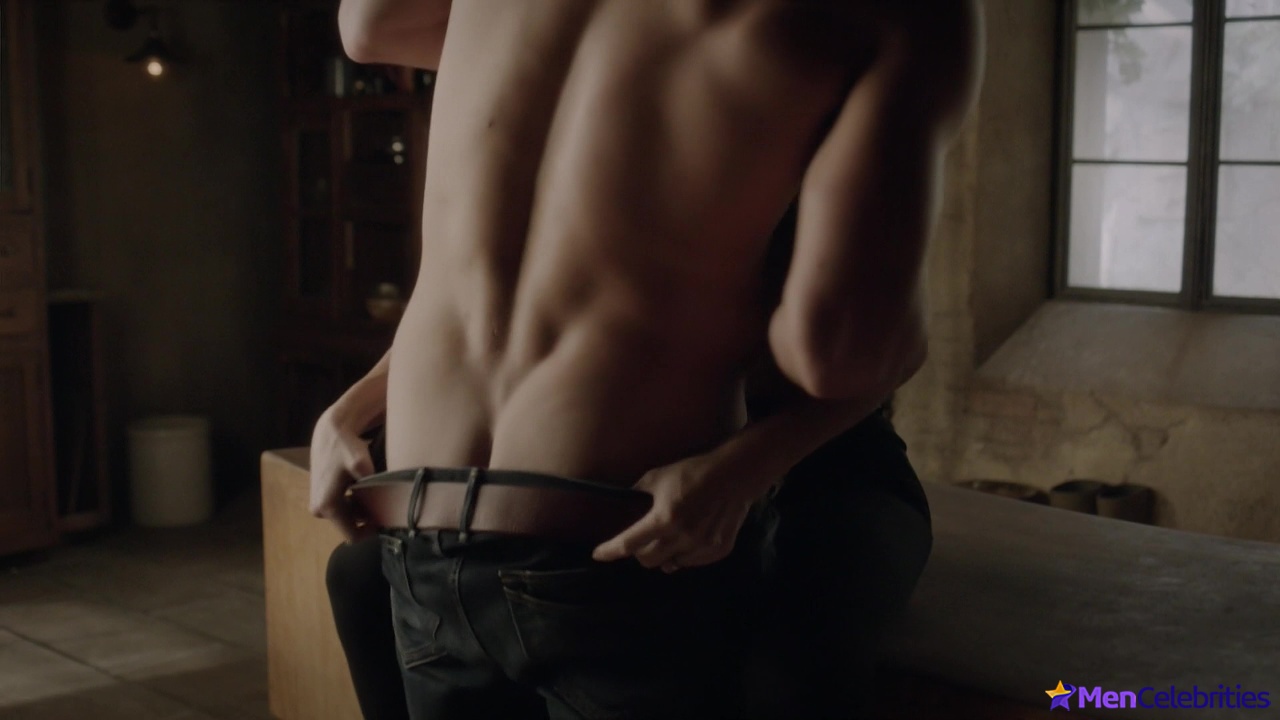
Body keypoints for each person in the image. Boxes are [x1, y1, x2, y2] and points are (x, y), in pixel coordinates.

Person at [309, 1, 981, 718]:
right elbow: (836, 355)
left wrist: (348, 409)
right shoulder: (889, 18)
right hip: (614, 537)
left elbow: (365, 24)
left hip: (426, 520)